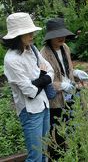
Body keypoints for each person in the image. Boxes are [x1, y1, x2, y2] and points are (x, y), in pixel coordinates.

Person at [2, 12, 54, 161]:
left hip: (44, 104)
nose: (32, 35)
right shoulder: (12, 60)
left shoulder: (32, 50)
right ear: (17, 35)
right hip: (30, 111)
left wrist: (39, 80)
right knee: (35, 157)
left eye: (31, 31)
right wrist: (44, 78)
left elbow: (51, 72)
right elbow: (29, 91)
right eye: (27, 32)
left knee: (45, 153)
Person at [40, 17, 88, 160]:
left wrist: (75, 73)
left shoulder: (65, 48)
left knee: (74, 127)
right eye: (57, 35)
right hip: (56, 99)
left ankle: (76, 155)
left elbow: (66, 70)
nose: (61, 37)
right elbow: (45, 79)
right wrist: (60, 85)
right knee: (58, 132)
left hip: (71, 94)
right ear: (50, 37)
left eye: (63, 34)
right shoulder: (44, 53)